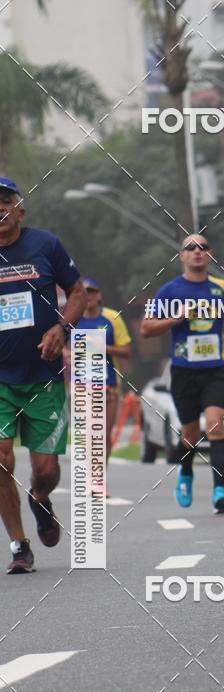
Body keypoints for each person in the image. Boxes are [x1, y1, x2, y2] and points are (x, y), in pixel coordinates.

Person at [0, 176, 86, 574]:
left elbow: (77, 292)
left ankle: (39, 497)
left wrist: (60, 329)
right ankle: (19, 545)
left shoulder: (45, 244)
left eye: (5, 202)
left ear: (20, 210)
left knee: (47, 470)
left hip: (43, 377)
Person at [141, 234, 224, 513]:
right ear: (181, 256)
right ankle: (185, 473)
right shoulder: (168, 291)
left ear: (209, 254)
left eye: (203, 247)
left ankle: (219, 491)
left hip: (215, 370)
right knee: (189, 434)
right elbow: (146, 329)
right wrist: (177, 318)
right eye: (190, 247)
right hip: (183, 371)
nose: (197, 251)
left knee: (216, 426)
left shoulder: (221, 288)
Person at [74, 278, 132, 486]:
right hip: (82, 385)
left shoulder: (111, 317)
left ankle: (99, 478)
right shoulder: (72, 318)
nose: (88, 296)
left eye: (91, 292)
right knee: (91, 431)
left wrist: (102, 347)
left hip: (109, 384)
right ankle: (92, 476)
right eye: (83, 292)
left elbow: (126, 351)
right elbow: (58, 343)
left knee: (104, 434)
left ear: (98, 295)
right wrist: (67, 354)